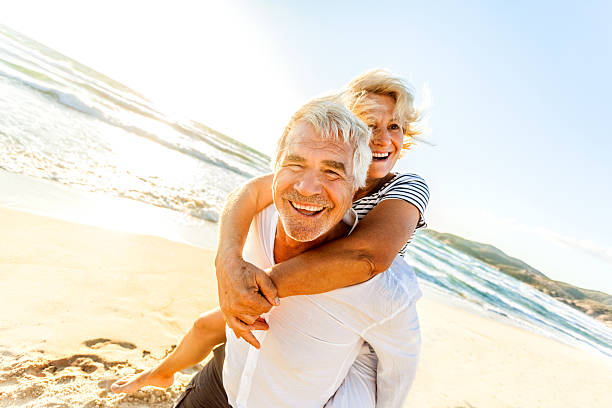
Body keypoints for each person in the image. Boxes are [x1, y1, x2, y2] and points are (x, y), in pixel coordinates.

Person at [112, 70, 429, 406]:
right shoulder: (315, 165)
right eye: (369, 125)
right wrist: (227, 263)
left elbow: (367, 256)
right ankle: (162, 372)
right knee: (206, 327)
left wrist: (253, 288)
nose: (382, 138)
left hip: (348, 309)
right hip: (297, 280)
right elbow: (249, 193)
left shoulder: (405, 186)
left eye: (394, 127)